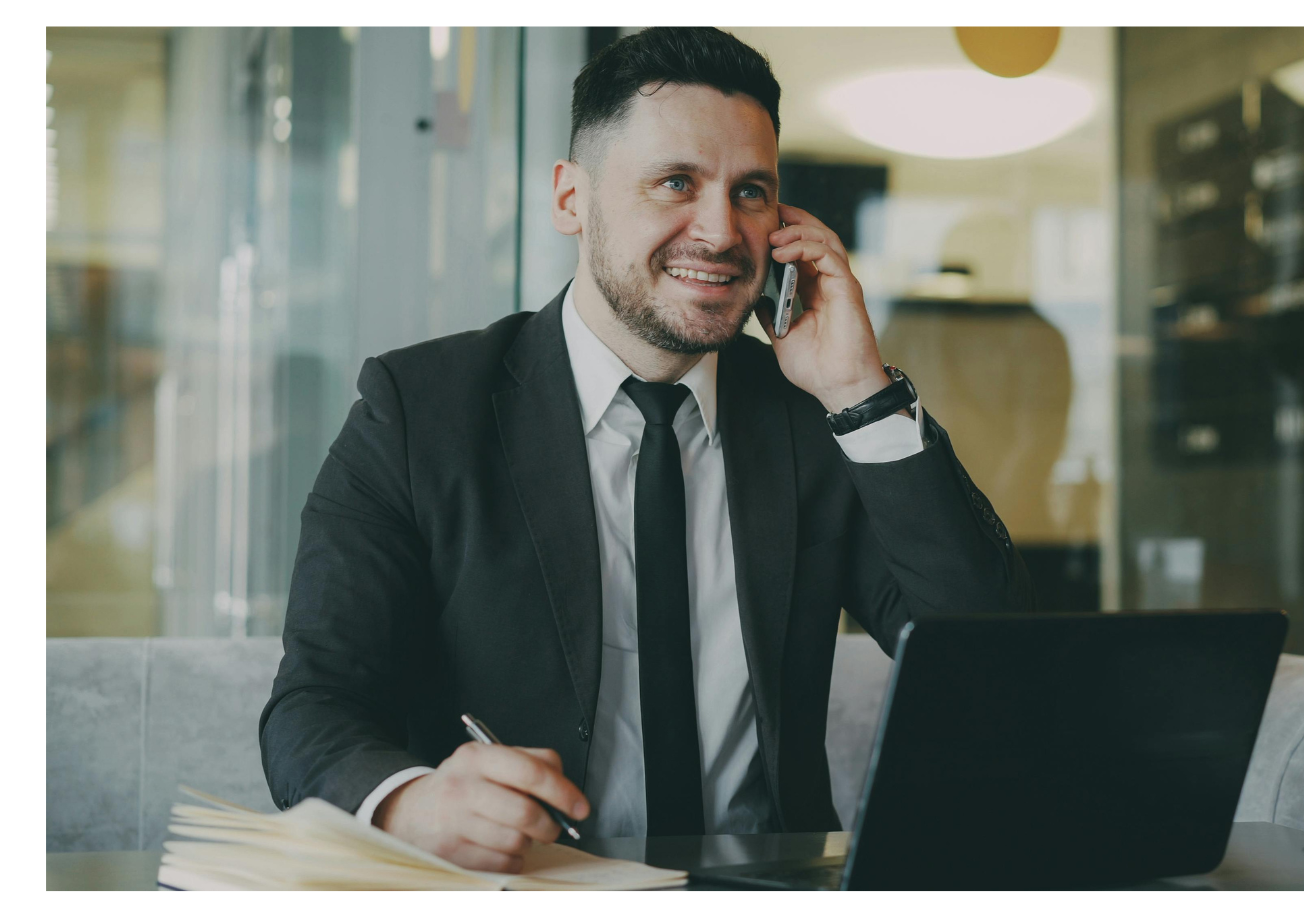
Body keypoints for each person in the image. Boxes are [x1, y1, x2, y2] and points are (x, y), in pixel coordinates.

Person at [259, 26, 1032, 874]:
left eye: (751, 192)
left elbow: (987, 658)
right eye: (676, 182)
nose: (721, 232)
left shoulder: (814, 414)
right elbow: (314, 705)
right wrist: (411, 804)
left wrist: (859, 390)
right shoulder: (418, 411)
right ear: (571, 199)